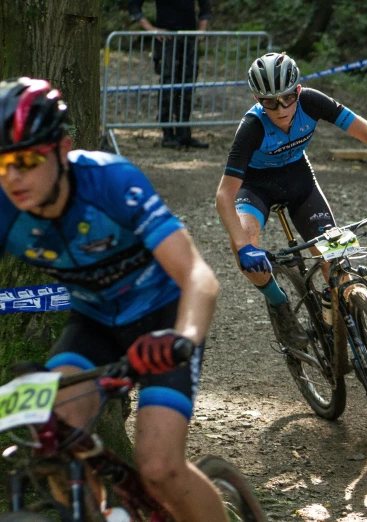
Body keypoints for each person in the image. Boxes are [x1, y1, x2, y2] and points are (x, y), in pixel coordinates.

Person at [0, 77, 227, 522]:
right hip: (94, 323)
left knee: (160, 469)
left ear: (62, 150)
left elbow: (198, 275)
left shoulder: (111, 182)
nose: (12, 178)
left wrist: (183, 338)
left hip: (163, 319)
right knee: (56, 437)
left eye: (26, 160)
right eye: (0, 165)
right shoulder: (4, 209)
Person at [214, 52, 367, 349]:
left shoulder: (312, 101)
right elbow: (224, 195)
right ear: (258, 99)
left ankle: (332, 310)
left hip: (298, 180)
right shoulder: (252, 127)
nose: (281, 108)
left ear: (298, 90)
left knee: (335, 260)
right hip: (256, 186)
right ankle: (279, 305)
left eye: (287, 97)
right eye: (270, 102)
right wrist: (246, 248)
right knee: (243, 243)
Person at [129, 0, 211, 149]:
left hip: (189, 39)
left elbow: (205, 6)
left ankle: (184, 133)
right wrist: (151, 29)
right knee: (168, 85)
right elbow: (134, 5)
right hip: (167, 40)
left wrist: (202, 29)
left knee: (188, 85)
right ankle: (167, 134)